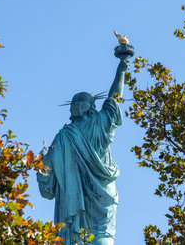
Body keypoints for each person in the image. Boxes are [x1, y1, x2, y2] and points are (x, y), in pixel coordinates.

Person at [37, 57, 129, 245]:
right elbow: (114, 100)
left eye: (81, 102)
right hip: (102, 199)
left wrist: (41, 163)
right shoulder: (67, 135)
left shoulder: (65, 135)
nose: (78, 105)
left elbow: (47, 185)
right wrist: (122, 69)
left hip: (91, 204)